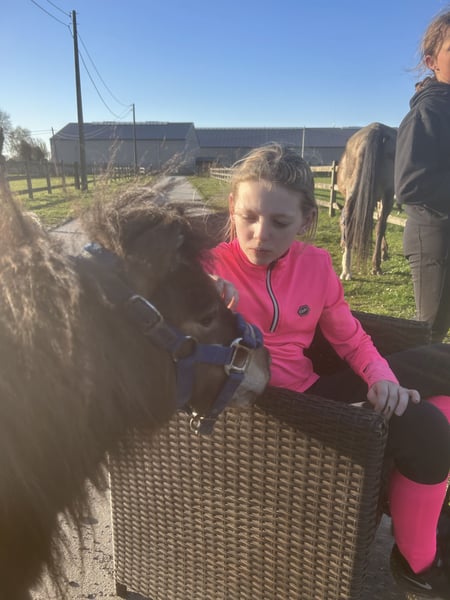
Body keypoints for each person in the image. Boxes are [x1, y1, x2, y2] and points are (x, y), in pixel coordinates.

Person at [203, 143, 450, 598]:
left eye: (280, 223)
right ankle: (419, 563)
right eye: (248, 217)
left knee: (444, 367)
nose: (260, 235)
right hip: (269, 411)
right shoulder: (209, 267)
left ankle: (424, 498)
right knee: (429, 424)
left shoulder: (315, 265)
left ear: (306, 221)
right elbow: (149, 300)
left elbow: (351, 338)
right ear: (232, 207)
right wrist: (197, 292)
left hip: (316, 394)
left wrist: (380, 377)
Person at [395, 10, 450, 344]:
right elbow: (409, 184)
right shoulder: (428, 111)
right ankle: (408, 376)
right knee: (430, 332)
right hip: (435, 237)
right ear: (432, 62)